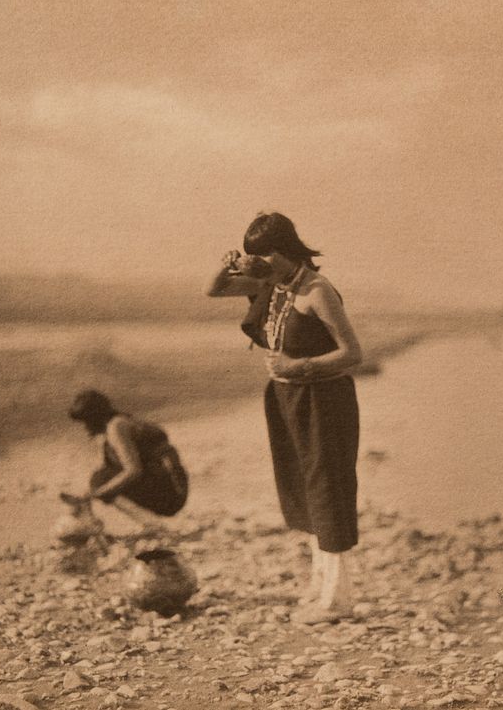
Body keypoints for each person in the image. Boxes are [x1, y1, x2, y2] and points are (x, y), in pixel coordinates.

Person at [207, 212, 363, 625]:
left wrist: (299, 366)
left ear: (281, 251)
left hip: (323, 399)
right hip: (287, 400)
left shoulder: (317, 291)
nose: (256, 263)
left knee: (328, 490)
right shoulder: (275, 285)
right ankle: (320, 587)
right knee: (302, 486)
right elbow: (214, 290)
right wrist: (227, 265)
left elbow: (352, 354)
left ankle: (339, 599)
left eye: (262, 255)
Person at [61, 389, 188, 523]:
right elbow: (105, 468)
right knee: (99, 478)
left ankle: (151, 523)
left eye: (86, 421)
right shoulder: (110, 430)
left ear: (95, 416)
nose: (85, 427)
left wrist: (99, 493)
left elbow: (133, 470)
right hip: (167, 487)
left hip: (172, 493)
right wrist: (86, 495)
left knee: (100, 480)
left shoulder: (116, 426)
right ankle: (87, 518)